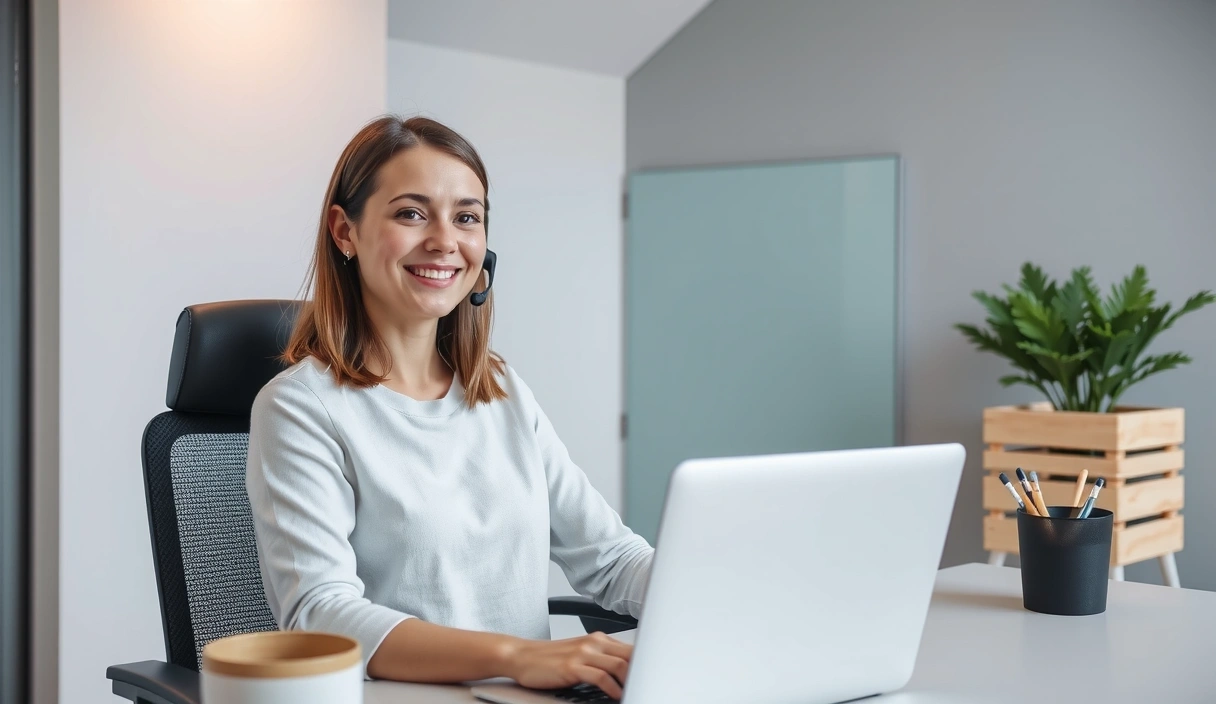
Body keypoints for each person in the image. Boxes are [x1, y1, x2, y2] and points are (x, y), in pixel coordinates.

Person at [246, 116, 653, 698]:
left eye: (467, 217)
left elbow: (610, 558)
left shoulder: (500, 389)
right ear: (344, 231)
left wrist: (716, 591)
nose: (445, 241)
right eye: (411, 213)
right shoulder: (301, 409)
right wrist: (518, 656)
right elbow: (320, 614)